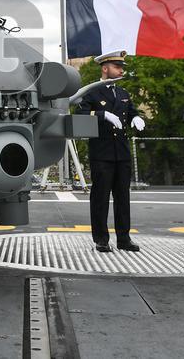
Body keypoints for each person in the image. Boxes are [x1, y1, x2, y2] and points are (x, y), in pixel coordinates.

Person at [77, 50, 144, 253]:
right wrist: (102, 114)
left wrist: (136, 117)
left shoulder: (123, 93)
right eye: (117, 67)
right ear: (105, 68)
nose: (121, 70)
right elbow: (80, 114)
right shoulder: (92, 92)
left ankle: (124, 238)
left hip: (121, 152)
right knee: (101, 198)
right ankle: (101, 238)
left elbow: (131, 111)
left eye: (121, 67)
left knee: (123, 198)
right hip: (102, 152)